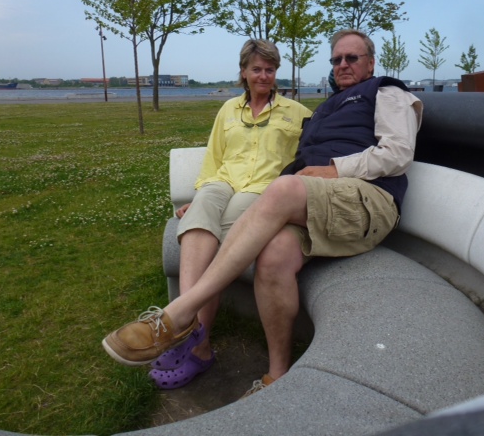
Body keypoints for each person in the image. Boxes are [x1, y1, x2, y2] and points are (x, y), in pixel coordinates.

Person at [103, 29, 423, 396]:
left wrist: (334, 170)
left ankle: (179, 316)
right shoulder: (325, 109)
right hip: (320, 201)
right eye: (336, 59)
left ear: (371, 62)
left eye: (352, 57)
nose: (343, 65)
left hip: (366, 198)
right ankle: (276, 376)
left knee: (281, 188)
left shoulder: (386, 91)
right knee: (272, 256)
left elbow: (399, 154)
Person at [144, 39, 312, 389]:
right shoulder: (227, 110)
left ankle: (198, 345)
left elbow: (307, 157)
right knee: (199, 214)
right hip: (223, 182)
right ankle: (190, 325)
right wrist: (199, 196)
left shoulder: (297, 112)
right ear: (244, 72)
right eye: (256, 69)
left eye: (270, 69)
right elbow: (214, 158)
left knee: (220, 229)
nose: (263, 75)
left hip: (260, 190)